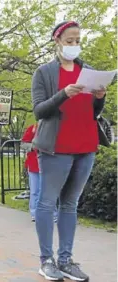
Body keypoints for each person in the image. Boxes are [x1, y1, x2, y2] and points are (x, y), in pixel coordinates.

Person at [31, 21, 106, 281]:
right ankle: (46, 260)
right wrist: (63, 94)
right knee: (47, 202)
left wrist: (100, 97)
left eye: (77, 40)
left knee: (70, 204)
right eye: (70, 40)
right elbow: (39, 110)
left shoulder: (88, 70)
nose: (74, 45)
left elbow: (94, 113)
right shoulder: (44, 72)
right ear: (57, 40)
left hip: (85, 147)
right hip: (56, 148)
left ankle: (65, 260)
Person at [21, 124, 58, 222]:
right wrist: (34, 146)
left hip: (48, 165)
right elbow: (24, 144)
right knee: (35, 191)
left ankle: (52, 214)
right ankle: (34, 213)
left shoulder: (53, 128)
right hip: (33, 165)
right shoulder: (32, 128)